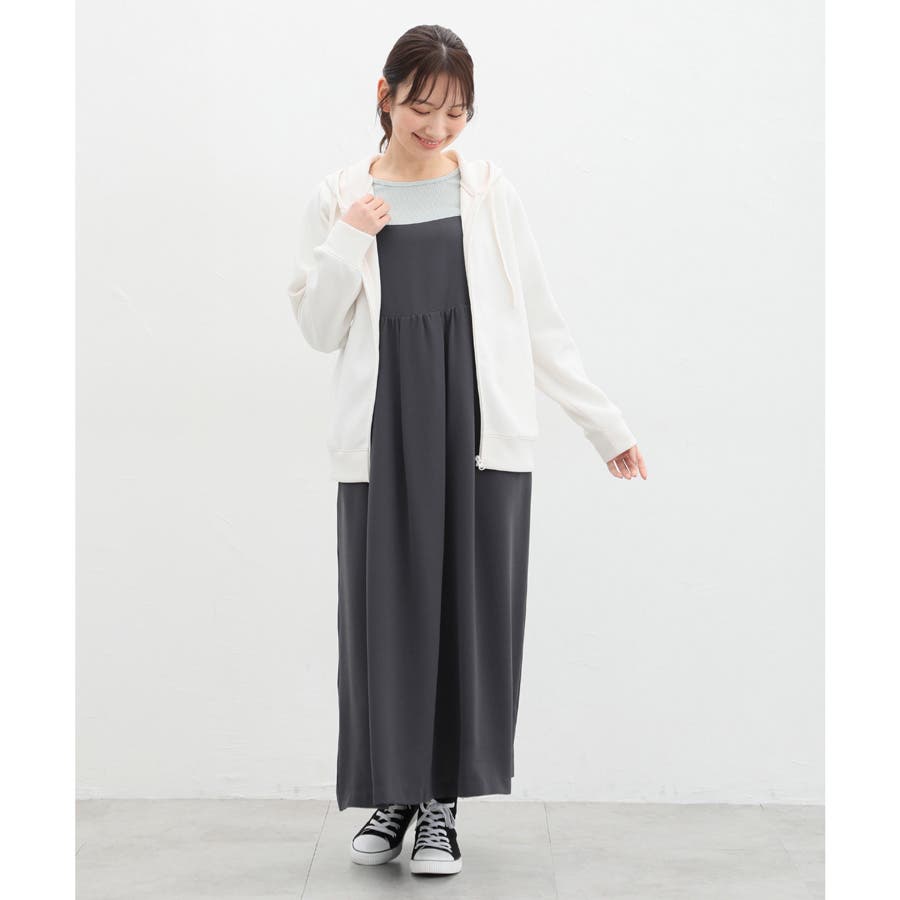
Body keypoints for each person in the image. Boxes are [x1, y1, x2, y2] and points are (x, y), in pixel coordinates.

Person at [287, 24, 647, 878]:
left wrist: (604, 425)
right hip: (383, 435)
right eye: (422, 106)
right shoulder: (339, 195)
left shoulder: (488, 193)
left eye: (456, 112)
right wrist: (349, 237)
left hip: (478, 432)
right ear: (385, 95)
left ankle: (440, 805)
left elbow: (539, 323)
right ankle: (395, 792)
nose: (438, 127)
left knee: (466, 616)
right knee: (383, 619)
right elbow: (317, 328)